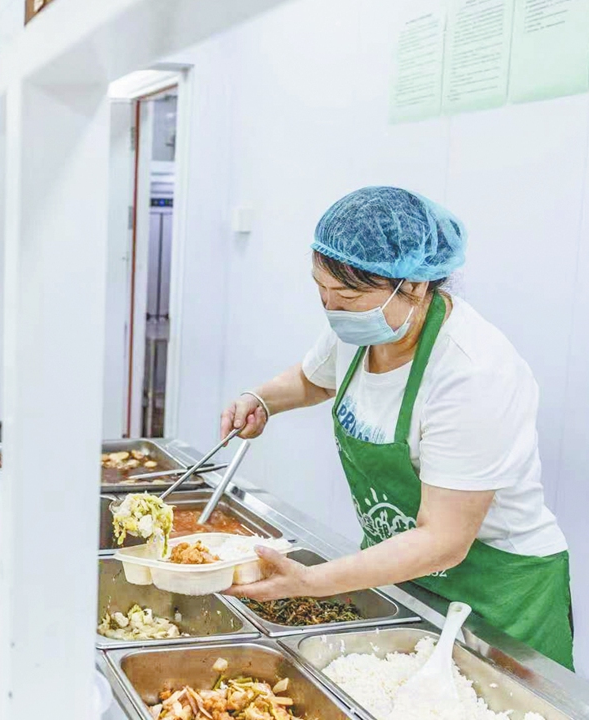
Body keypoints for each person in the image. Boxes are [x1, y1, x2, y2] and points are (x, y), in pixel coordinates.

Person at [221, 186, 574, 669]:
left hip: (498, 593)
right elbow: (313, 379)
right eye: (320, 289)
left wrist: (310, 581)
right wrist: (260, 399)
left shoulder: (473, 372)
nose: (330, 308)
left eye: (345, 295)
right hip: (404, 572)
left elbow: (444, 540)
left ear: (415, 285)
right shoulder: (357, 326)